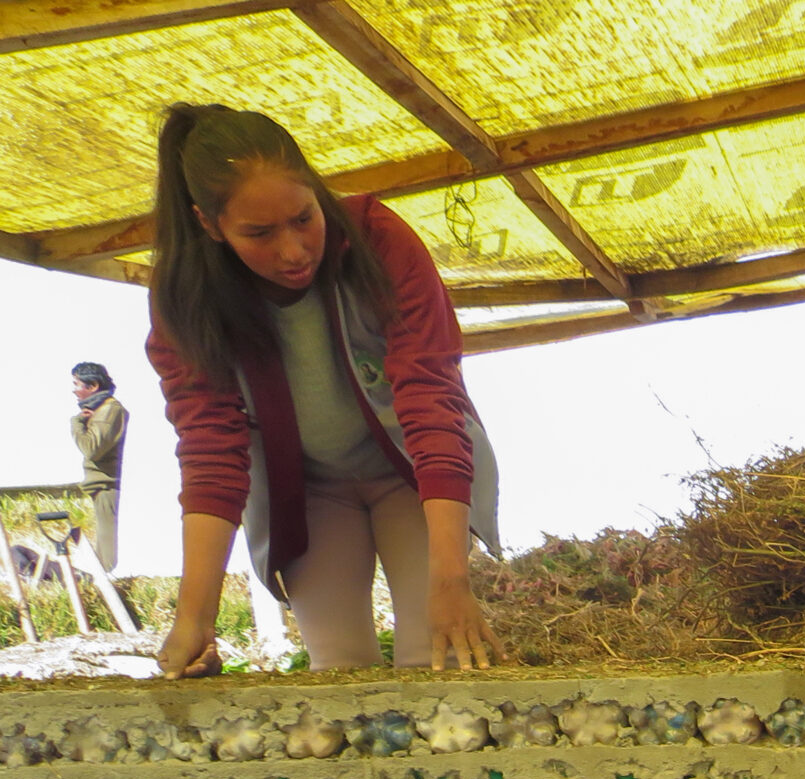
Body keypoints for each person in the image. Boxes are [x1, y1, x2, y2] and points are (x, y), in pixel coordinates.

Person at [144, 103, 503, 676]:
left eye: (304, 218)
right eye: (259, 233)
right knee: (338, 672)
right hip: (308, 492)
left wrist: (452, 580)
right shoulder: (186, 298)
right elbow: (212, 453)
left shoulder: (378, 240)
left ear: (316, 189)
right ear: (210, 226)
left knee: (436, 660)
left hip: (413, 473)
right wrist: (196, 618)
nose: (292, 251)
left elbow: (431, 398)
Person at [68, 362, 126, 573]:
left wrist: (76, 424)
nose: (74, 390)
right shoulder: (100, 410)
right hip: (97, 484)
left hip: (105, 485)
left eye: (77, 384)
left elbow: (91, 448)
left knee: (106, 551)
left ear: (92, 386)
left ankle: (102, 582)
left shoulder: (110, 410)